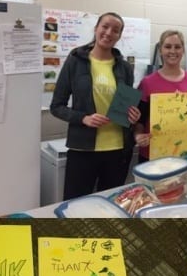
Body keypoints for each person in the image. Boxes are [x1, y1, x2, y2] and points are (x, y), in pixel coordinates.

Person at [50, 12, 141, 200]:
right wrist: (83, 118)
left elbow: (126, 107)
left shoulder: (124, 67)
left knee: (110, 206)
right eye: (105, 26)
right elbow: (56, 106)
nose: (109, 33)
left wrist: (133, 115)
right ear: (96, 28)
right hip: (83, 150)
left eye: (115, 30)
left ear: (119, 36)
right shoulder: (76, 60)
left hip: (118, 151)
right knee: (75, 205)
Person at [133, 30, 187, 163]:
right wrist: (138, 135)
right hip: (153, 155)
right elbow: (139, 121)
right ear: (160, 49)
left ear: (183, 50)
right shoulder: (147, 83)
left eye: (177, 47)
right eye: (167, 46)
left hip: (186, 154)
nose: (173, 51)